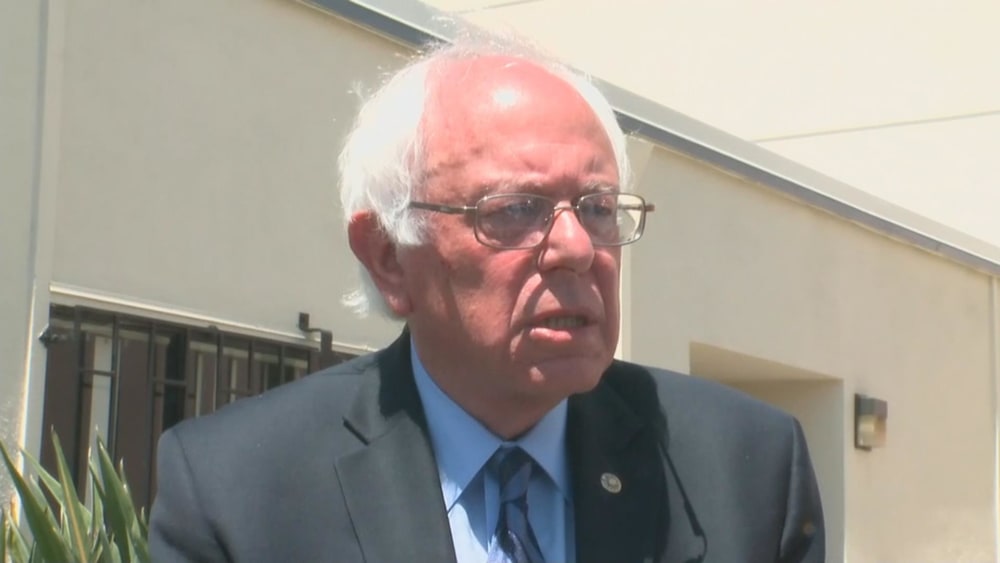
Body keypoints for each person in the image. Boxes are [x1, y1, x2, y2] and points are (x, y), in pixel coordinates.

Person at [149, 34, 824, 563]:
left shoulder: (747, 468)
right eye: (515, 209)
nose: (576, 247)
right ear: (389, 257)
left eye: (597, 207)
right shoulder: (238, 489)